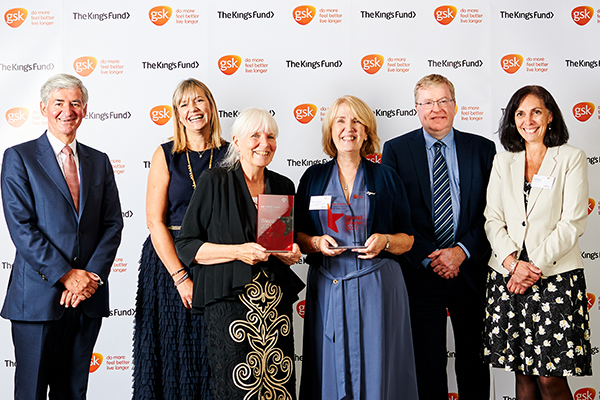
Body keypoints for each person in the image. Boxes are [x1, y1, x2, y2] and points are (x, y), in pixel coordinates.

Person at [0, 73, 123, 399]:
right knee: (32, 391)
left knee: (74, 391)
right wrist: (67, 276)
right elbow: (22, 228)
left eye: (75, 103)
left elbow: (113, 225)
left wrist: (90, 278)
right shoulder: (19, 158)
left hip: (87, 299)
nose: (67, 110)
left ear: (84, 110)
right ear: (44, 108)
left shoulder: (99, 161)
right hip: (37, 300)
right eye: (59, 103)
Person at [175, 108, 305, 400]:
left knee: (279, 384)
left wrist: (290, 253)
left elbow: (284, 245)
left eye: (270, 136)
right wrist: (239, 252)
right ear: (236, 140)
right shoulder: (214, 181)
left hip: (273, 304)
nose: (264, 143)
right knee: (237, 389)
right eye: (255, 136)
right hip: (229, 304)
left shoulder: (283, 185)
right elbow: (187, 245)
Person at [381, 74, 495, 399]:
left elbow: (493, 212)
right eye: (428, 102)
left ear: (455, 105)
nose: (436, 109)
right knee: (427, 366)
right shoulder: (397, 150)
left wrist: (460, 251)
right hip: (420, 273)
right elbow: (393, 215)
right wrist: (432, 255)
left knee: (474, 364)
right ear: (416, 109)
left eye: (443, 101)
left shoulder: (482, 149)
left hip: (470, 272)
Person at [297, 95, 418, 400]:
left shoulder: (386, 177)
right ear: (330, 130)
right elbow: (296, 235)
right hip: (329, 287)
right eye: (340, 120)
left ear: (366, 131)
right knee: (328, 368)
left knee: (381, 368)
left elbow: (408, 239)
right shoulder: (312, 178)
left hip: (378, 288)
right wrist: (314, 243)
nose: (348, 128)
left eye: (356, 121)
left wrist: (385, 241)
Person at [483, 85, 591, 399]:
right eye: (520, 113)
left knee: (550, 379)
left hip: (555, 279)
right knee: (524, 376)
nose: (527, 120)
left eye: (536, 112)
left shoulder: (571, 158)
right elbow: (493, 219)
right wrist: (513, 265)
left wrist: (532, 268)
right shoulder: (504, 161)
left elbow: (572, 222)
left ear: (550, 116)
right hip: (509, 278)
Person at [133, 79, 229, 400]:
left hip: (216, 261)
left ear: (211, 107)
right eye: (185, 104)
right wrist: (179, 276)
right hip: (168, 263)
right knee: (171, 353)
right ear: (177, 113)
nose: (193, 110)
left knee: (213, 352)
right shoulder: (165, 155)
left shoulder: (232, 154)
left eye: (199, 101)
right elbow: (154, 221)